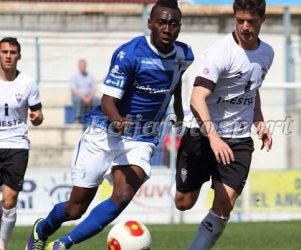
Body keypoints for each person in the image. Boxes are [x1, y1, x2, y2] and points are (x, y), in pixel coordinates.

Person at [25, 0, 193, 249]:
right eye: (161, 22)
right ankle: (43, 228)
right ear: (150, 24)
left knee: (123, 196)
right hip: (103, 132)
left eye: (173, 24)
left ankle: (63, 244)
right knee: (75, 208)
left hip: (141, 138)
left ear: (179, 27)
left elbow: (175, 82)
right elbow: (107, 102)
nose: (167, 28)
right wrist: (118, 120)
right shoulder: (130, 54)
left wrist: (179, 112)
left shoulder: (184, 54)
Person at [172, 0, 273, 249]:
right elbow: (197, 98)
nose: (245, 27)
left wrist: (258, 120)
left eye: (251, 21)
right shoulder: (220, 52)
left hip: (237, 139)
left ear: (263, 19)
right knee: (183, 203)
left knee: (225, 203)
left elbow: (252, 87)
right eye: (240, 20)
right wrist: (214, 138)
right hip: (201, 133)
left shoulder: (267, 53)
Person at [0, 37, 44, 250]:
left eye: (13, 52)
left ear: (19, 56)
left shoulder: (27, 82)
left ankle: (2, 245)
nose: (8, 56)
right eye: (4, 52)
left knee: (9, 203)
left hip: (17, 145)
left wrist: (37, 117)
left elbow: (38, 112)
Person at [70, 59, 99, 124]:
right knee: (78, 100)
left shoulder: (89, 75)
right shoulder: (74, 76)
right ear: (79, 66)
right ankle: (78, 118)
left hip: (88, 96)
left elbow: (94, 88)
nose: (83, 67)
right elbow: (74, 90)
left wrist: (90, 97)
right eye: (81, 66)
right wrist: (83, 98)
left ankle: (95, 117)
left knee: (97, 100)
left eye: (84, 66)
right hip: (79, 96)